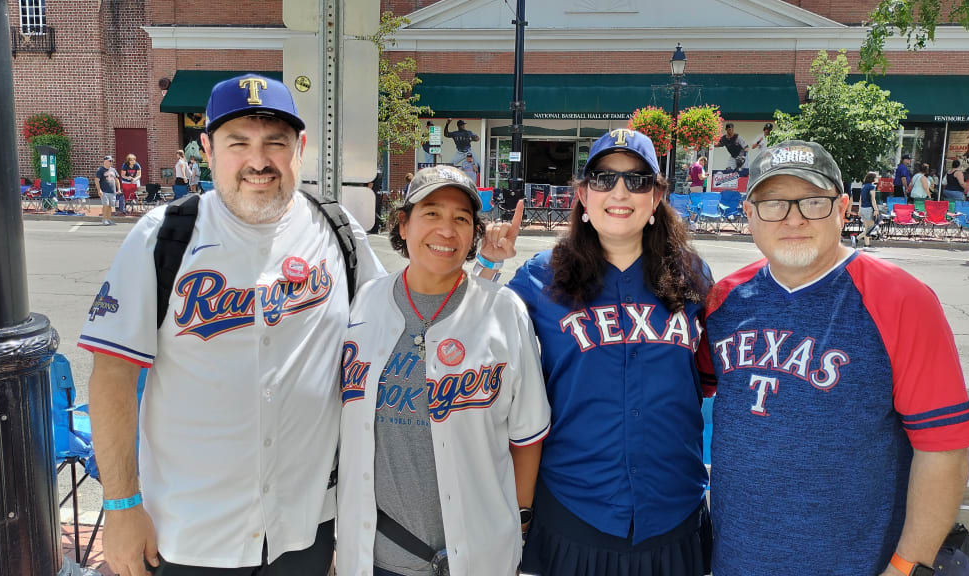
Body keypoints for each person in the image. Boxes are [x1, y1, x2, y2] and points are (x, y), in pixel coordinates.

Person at [80, 73, 385, 576]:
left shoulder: (338, 232)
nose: (258, 161)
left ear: (300, 148)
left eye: (275, 143)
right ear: (207, 149)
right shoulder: (163, 237)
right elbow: (112, 376)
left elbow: (385, 333)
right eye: (238, 143)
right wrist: (120, 506)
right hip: (188, 531)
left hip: (306, 524)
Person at [704, 140, 969, 575]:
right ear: (749, 213)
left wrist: (906, 567)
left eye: (813, 201)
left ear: (842, 208)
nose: (794, 218)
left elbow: (944, 449)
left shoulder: (901, 299)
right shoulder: (724, 300)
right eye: (773, 203)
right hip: (737, 560)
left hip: (859, 564)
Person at [480, 128, 714, 575]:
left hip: (672, 510)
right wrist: (489, 264)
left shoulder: (691, 274)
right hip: (576, 508)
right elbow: (474, 335)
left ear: (657, 197)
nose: (620, 192)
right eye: (604, 179)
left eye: (637, 180)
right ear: (583, 196)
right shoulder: (541, 277)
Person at [336, 166, 551, 576]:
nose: (447, 230)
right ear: (403, 223)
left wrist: (520, 520)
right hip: (376, 555)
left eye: (461, 219)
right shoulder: (365, 302)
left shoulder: (504, 311)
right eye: (431, 213)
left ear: (473, 233)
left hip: (478, 554)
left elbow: (527, 435)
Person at [852, 171, 879, 251]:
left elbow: (860, 199)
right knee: (871, 228)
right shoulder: (872, 186)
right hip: (868, 208)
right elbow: (873, 199)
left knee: (867, 228)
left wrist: (859, 210)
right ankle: (856, 238)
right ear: (873, 178)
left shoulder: (863, 186)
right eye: (876, 177)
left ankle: (867, 245)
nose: (877, 178)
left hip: (863, 209)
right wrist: (876, 209)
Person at [94, 154, 120, 226]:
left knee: (110, 206)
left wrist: (119, 189)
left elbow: (117, 180)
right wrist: (99, 190)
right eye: (109, 161)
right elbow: (96, 180)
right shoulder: (100, 170)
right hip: (104, 191)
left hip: (112, 191)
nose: (111, 162)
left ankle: (108, 219)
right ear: (105, 161)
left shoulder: (113, 170)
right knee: (106, 205)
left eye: (112, 161)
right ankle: (104, 219)